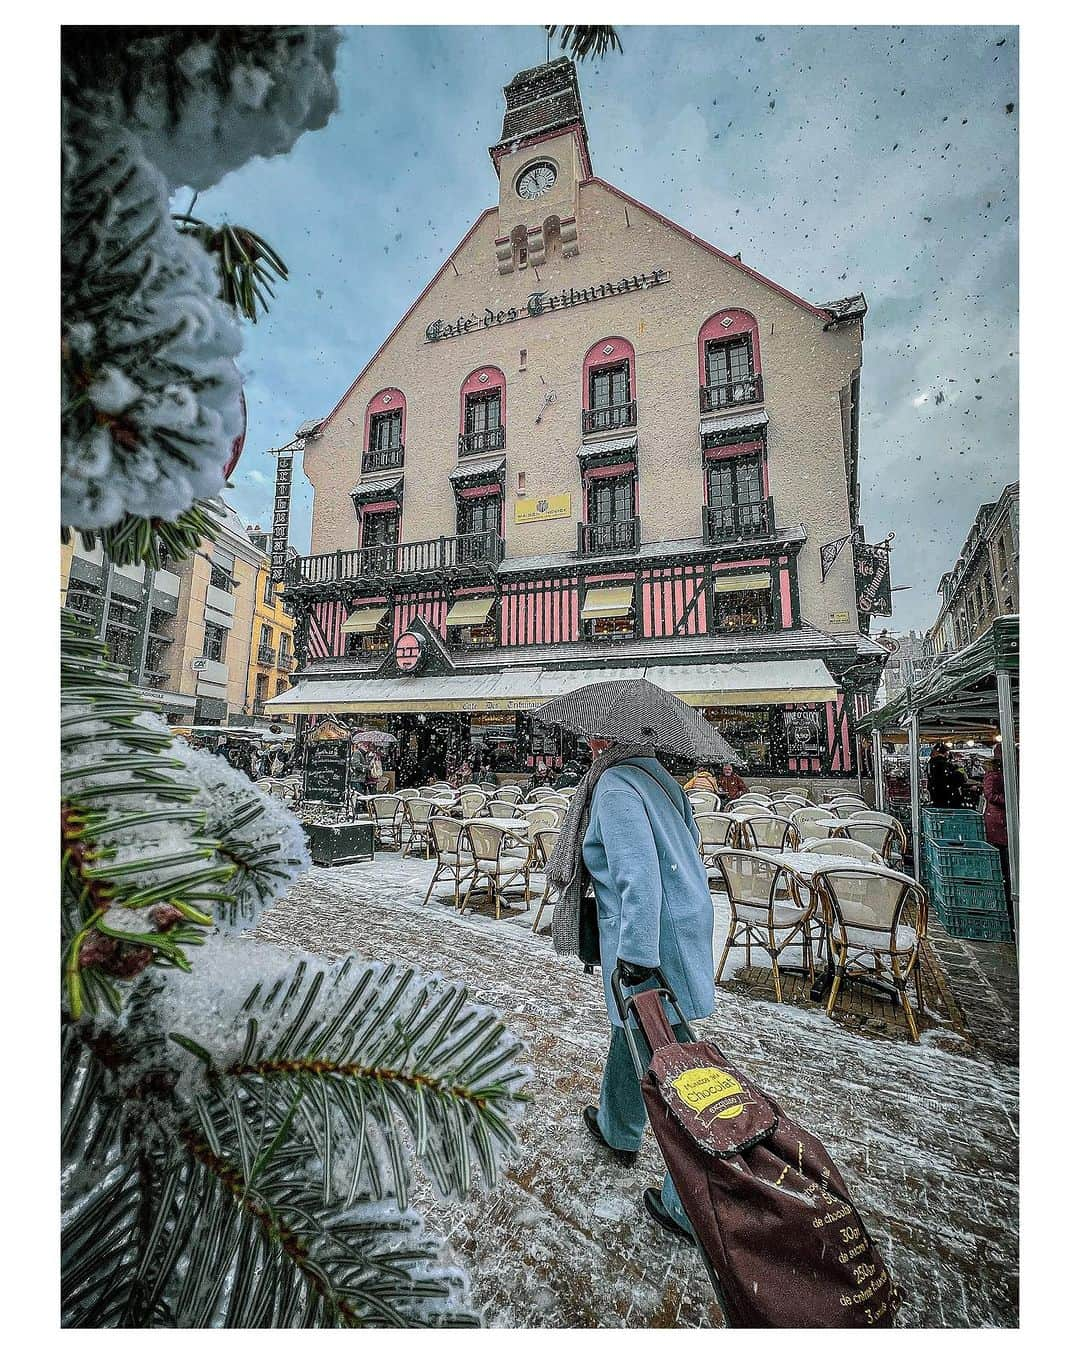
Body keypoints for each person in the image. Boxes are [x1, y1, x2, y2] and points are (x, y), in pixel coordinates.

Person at [554, 736, 715, 1244]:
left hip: (650, 939)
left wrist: (635, 956)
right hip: (680, 922)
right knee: (634, 1036)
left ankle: (688, 1203)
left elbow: (638, 877)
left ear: (610, 736)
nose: (587, 740)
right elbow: (687, 848)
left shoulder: (615, 785)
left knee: (675, 1070)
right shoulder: (660, 781)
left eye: (594, 736)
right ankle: (616, 1127)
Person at [981, 745, 1011, 904]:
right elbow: (990, 795)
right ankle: (1004, 883)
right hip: (998, 821)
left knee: (1005, 854)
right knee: (1002, 855)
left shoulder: (1004, 772)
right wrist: (1010, 800)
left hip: (1002, 820)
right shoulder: (993, 775)